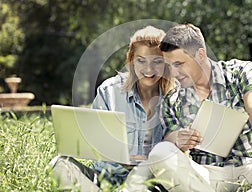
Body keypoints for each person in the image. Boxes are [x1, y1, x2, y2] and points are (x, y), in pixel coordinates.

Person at [148, 24, 252, 192]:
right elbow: (169, 139)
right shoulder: (172, 99)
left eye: (179, 64)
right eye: (169, 66)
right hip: (206, 177)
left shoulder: (240, 72)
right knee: (159, 153)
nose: (174, 73)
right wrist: (178, 139)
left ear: (200, 55)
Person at [50, 25, 173, 191]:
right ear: (131, 60)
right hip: (104, 177)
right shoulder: (109, 90)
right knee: (59, 164)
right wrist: (119, 158)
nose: (148, 69)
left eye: (157, 61)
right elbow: (94, 144)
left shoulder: (174, 97)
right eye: (141, 60)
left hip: (146, 182)